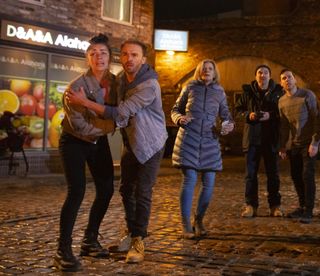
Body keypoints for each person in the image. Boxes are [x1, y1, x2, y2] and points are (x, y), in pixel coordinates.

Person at [66, 39, 168, 263]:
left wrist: (85, 102)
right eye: (124, 54)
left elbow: (121, 111)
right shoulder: (121, 79)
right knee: (125, 189)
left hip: (151, 143)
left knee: (143, 191)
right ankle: (131, 232)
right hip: (131, 142)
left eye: (134, 55)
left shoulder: (149, 84)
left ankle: (139, 241)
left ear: (143, 59)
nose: (128, 59)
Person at [54, 34, 116, 272]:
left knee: (107, 189)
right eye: (93, 53)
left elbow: (120, 110)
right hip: (74, 142)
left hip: (98, 142)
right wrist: (112, 120)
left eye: (103, 53)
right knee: (76, 192)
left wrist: (109, 115)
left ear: (109, 57)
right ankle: (63, 250)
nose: (98, 57)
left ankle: (90, 240)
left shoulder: (116, 83)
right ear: (87, 57)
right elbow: (80, 125)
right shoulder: (76, 86)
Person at [171, 59, 234, 239]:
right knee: (189, 179)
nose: (206, 71)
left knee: (209, 183)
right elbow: (175, 109)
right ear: (198, 72)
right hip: (188, 139)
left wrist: (227, 125)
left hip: (209, 140)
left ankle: (198, 220)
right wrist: (179, 118)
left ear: (214, 73)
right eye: (203, 69)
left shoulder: (219, 91)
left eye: (210, 69)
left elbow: (226, 115)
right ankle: (186, 226)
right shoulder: (189, 87)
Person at [235, 65, 284, 218]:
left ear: (270, 76)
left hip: (271, 139)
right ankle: (250, 206)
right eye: (260, 73)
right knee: (250, 175)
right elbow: (238, 110)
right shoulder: (247, 92)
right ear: (256, 76)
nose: (262, 75)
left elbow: (283, 113)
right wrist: (248, 115)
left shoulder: (278, 92)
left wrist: (271, 116)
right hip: (252, 139)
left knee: (273, 175)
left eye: (265, 73)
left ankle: (275, 206)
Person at [278, 69, 319, 224]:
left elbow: (317, 119)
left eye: (289, 77)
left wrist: (315, 142)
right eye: (284, 78)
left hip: (309, 143)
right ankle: (302, 206)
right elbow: (284, 126)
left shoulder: (307, 95)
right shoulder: (281, 101)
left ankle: (308, 211)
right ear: (281, 83)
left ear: (295, 80)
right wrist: (282, 146)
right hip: (294, 144)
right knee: (296, 176)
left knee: (307, 176)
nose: (287, 80)